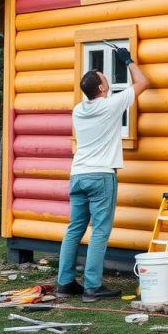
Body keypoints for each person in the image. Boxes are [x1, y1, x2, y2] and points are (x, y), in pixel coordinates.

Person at [57, 46, 148, 302]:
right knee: (99, 231)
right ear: (101, 89)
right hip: (101, 177)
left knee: (74, 229)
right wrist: (128, 60)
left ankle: (64, 283)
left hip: (78, 175)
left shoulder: (78, 110)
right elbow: (143, 82)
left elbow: (93, 96)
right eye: (104, 79)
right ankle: (92, 287)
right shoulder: (111, 105)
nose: (107, 80)